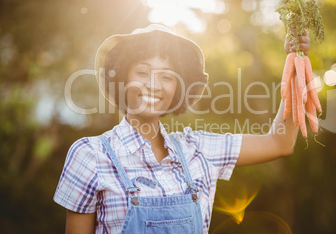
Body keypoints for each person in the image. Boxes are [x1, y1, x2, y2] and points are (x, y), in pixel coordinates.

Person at [54, 24, 310, 233]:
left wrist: (296, 66)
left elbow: (281, 143)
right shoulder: (90, 155)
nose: (155, 85)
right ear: (122, 77)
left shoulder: (197, 150)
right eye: (143, 72)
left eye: (167, 76)